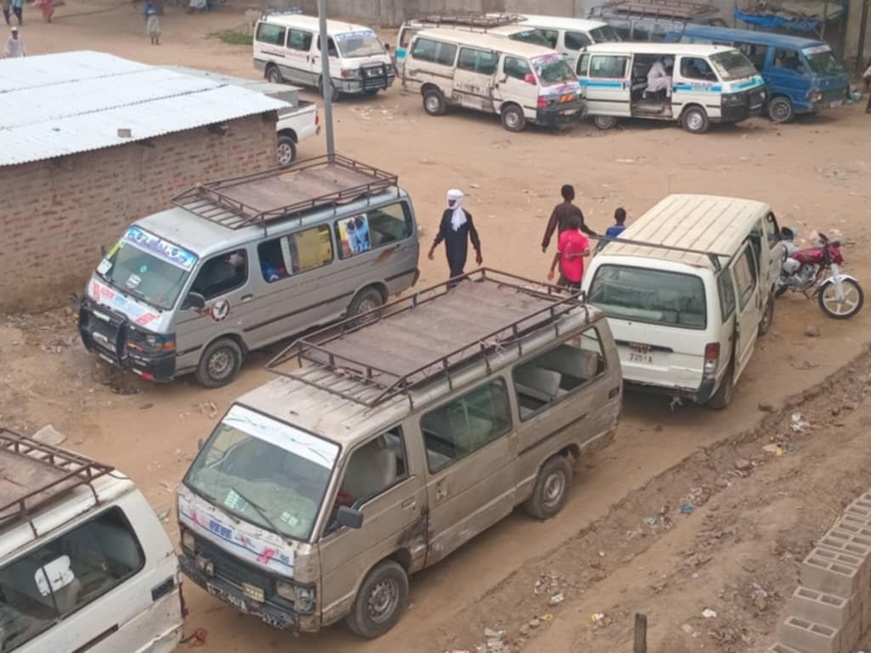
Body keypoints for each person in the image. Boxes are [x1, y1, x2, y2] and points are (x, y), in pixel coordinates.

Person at [427, 189, 482, 286]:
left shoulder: (466, 216)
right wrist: (433, 247)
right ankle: (471, 285)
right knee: (456, 272)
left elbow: (473, 235)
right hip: (449, 249)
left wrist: (478, 252)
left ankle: (450, 292)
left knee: (454, 275)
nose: (450, 203)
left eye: (452, 201)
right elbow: (442, 232)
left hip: (461, 250)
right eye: (449, 201)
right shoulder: (446, 214)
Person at [541, 184, 596, 253]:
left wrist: (545, 244)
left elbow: (551, 227)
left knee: (563, 260)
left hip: (562, 240)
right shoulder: (576, 210)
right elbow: (582, 226)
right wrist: (592, 234)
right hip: (574, 241)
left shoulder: (558, 208)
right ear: (572, 194)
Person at [547, 215, 590, 291]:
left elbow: (558, 253)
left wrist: (552, 269)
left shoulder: (563, 235)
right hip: (577, 271)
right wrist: (576, 255)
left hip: (565, 269)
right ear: (579, 225)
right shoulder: (583, 238)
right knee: (576, 294)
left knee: (557, 290)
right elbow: (587, 253)